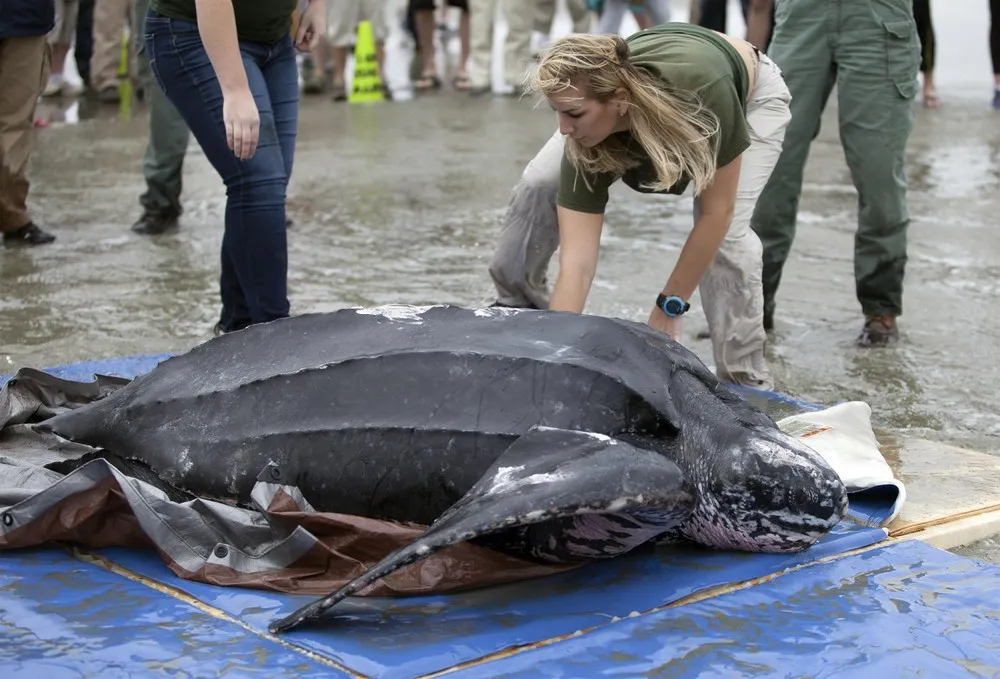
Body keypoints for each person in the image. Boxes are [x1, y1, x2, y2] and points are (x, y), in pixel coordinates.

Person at [487, 25, 792, 390]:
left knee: (729, 242)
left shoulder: (702, 97)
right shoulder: (586, 114)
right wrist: (555, 357)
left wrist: (669, 306)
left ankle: (744, 382)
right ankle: (518, 310)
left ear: (618, 101)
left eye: (573, 115)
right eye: (557, 113)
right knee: (541, 182)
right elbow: (578, 264)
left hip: (741, 94)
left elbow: (717, 214)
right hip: (626, 82)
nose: (563, 129)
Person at [142, 0, 325, 334]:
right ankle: (276, 335)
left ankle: (238, 326)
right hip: (193, 33)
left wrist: (318, 6)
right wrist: (235, 88)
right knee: (260, 181)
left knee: (264, 185)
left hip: (275, 37)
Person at [748, 0, 920, 347]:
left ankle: (880, 310)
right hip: (800, 18)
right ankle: (752, 307)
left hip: (878, 21)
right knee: (771, 174)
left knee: (879, 176)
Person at [0, 0, 59, 246]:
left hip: (25, 17)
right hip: (25, 15)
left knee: (15, 123)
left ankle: (12, 215)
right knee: (14, 124)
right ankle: (12, 215)